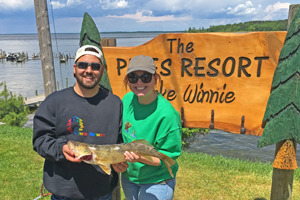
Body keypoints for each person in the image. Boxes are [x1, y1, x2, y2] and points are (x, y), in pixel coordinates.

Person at [32, 44, 129, 200]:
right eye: (83, 65)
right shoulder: (55, 101)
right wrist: (61, 149)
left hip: (102, 191)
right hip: (64, 191)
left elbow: (121, 140)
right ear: (74, 68)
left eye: (95, 66)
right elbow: (40, 139)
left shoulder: (114, 103)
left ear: (102, 71)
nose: (89, 70)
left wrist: (120, 161)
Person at [120, 55, 182, 200]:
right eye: (133, 77)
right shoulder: (127, 99)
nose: (139, 82)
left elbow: (166, 158)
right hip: (130, 178)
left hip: (157, 181)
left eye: (146, 77)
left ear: (156, 78)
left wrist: (139, 157)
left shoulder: (167, 115)